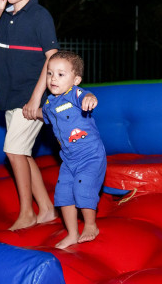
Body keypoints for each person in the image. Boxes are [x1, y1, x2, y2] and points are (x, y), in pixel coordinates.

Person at [0, 0, 58, 230]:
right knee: (23, 154)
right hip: (10, 95)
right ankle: (46, 209)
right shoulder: (6, 16)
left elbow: (52, 58)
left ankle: (27, 213)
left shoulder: (40, 16)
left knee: (13, 151)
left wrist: (37, 98)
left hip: (32, 95)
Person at [38, 50, 107, 249]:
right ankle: (72, 233)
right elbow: (45, 116)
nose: (53, 78)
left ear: (75, 80)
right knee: (63, 194)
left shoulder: (74, 94)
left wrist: (90, 98)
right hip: (68, 159)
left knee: (82, 188)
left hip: (90, 156)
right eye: (50, 73)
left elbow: (86, 95)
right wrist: (33, 112)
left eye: (61, 74)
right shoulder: (50, 103)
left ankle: (91, 225)